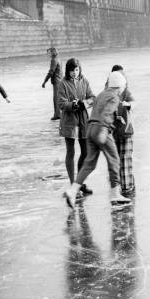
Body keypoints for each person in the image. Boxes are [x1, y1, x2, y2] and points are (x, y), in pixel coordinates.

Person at [64, 71, 132, 208]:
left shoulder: (102, 94)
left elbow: (98, 109)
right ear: (119, 86)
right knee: (114, 159)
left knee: (89, 163)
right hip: (102, 129)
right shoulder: (114, 97)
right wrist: (104, 128)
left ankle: (72, 191)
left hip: (90, 128)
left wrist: (115, 118)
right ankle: (115, 193)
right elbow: (106, 112)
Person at [58, 58, 95, 194]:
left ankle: (80, 182)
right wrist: (72, 105)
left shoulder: (84, 81)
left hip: (83, 120)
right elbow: (61, 103)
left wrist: (84, 103)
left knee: (85, 153)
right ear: (68, 71)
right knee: (71, 152)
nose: (75, 72)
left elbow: (93, 98)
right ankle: (73, 183)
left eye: (77, 69)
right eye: (72, 70)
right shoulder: (63, 84)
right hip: (69, 121)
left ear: (80, 69)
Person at [108, 65, 135, 197]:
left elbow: (134, 102)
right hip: (114, 131)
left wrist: (128, 105)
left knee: (125, 159)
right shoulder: (109, 92)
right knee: (116, 160)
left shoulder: (126, 91)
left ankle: (128, 187)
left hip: (126, 130)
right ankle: (120, 187)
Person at [42, 47, 62, 120]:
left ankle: (57, 115)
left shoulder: (54, 60)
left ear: (52, 53)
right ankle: (59, 113)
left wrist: (45, 81)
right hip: (60, 80)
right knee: (58, 98)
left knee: (56, 98)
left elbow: (51, 72)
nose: (48, 54)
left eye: (49, 53)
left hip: (56, 81)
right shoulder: (59, 59)